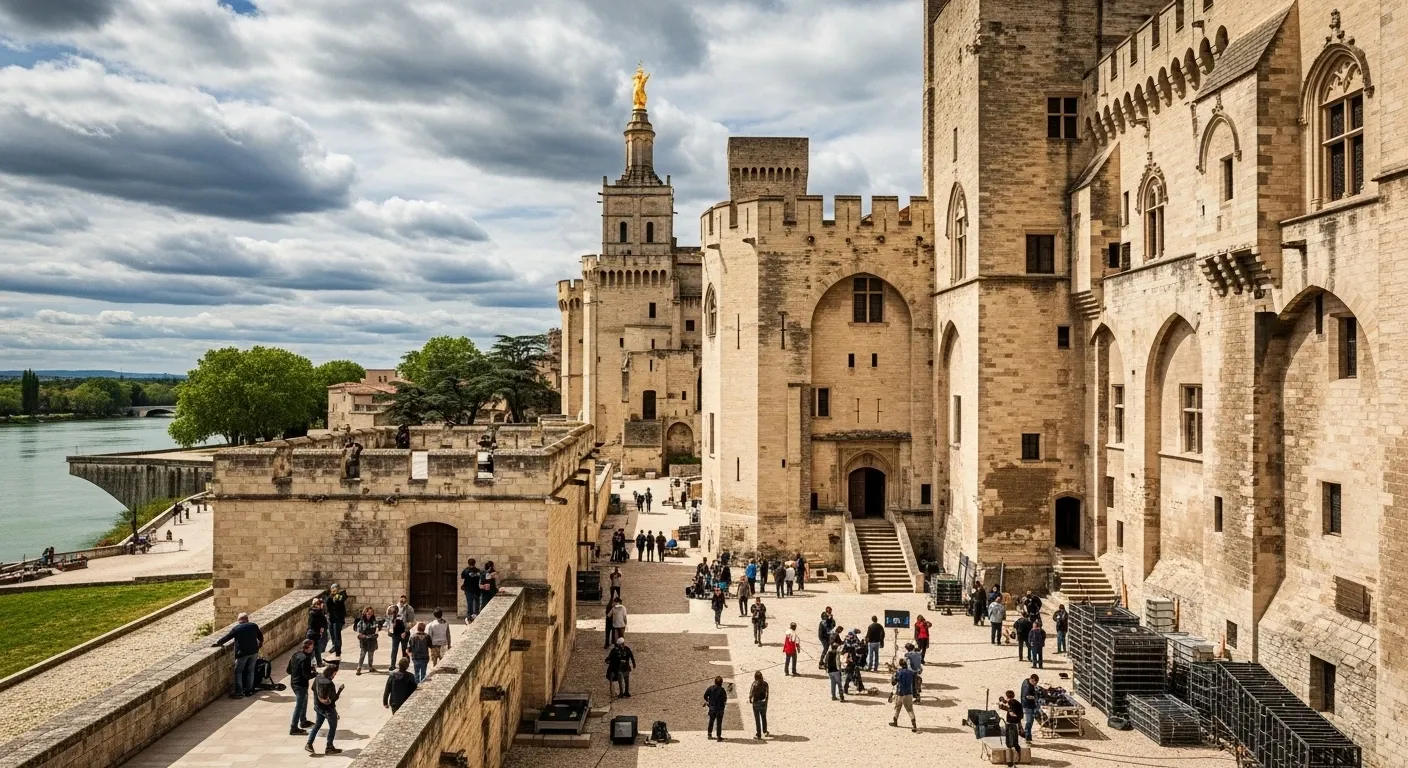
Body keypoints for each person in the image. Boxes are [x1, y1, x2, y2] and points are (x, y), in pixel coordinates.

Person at [211, 611, 264, 699]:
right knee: (250, 671)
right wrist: (261, 642)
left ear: (239, 620)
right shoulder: (253, 625)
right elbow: (260, 635)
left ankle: (239, 692)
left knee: (238, 672)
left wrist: (218, 642)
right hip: (254, 651)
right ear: (247, 619)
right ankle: (249, 689)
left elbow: (228, 637)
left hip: (242, 653)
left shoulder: (237, 629)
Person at [306, 663, 343, 756]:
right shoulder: (329, 684)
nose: (334, 676)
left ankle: (309, 743)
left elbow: (313, 688)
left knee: (317, 725)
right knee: (333, 727)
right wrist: (339, 691)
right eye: (334, 674)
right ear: (331, 672)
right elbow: (331, 700)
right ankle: (329, 747)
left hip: (318, 708)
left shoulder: (318, 678)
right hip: (328, 710)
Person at [287, 638, 316, 735]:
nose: (313, 648)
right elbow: (306, 675)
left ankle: (303, 721)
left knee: (305, 700)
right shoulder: (306, 659)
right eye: (312, 646)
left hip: (294, 683)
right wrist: (314, 673)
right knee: (299, 705)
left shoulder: (295, 655)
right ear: (307, 648)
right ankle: (293, 727)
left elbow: (288, 670)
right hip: (300, 685)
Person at [891, 661, 918, 732]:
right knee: (910, 710)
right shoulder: (911, 673)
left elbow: (893, 683)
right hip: (908, 693)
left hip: (899, 693)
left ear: (900, 665)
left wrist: (893, 676)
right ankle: (914, 725)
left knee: (897, 707)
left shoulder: (898, 672)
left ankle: (895, 721)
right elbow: (915, 683)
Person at [1000, 690, 1024, 767]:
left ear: (1007, 697)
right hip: (1014, 724)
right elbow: (1013, 711)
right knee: (1012, 743)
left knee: (1012, 743)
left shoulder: (1012, 703)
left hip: (1013, 725)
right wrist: (1004, 707)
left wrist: (1008, 709)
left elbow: (1013, 713)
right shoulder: (1015, 703)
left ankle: (1013, 761)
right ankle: (1013, 761)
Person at [354, 606, 379, 674]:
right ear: (365, 612)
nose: (370, 614)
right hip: (364, 640)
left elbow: (376, 629)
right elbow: (359, 631)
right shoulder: (361, 622)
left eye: (371, 612)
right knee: (362, 654)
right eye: (368, 612)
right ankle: (359, 667)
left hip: (372, 640)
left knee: (371, 655)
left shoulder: (374, 620)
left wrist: (375, 633)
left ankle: (370, 667)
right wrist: (363, 635)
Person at [326, 583, 348, 658]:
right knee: (332, 634)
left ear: (338, 589)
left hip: (338, 619)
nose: (334, 589)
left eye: (335, 588)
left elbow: (343, 598)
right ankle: (335, 647)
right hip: (331, 619)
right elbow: (328, 604)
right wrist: (332, 597)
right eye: (332, 588)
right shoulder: (329, 597)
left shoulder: (341, 595)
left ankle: (338, 651)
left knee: (337, 634)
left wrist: (337, 597)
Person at [704, 676, 727, 741]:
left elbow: (705, 695)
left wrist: (708, 701)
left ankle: (709, 734)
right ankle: (718, 736)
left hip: (712, 708)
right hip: (720, 709)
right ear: (721, 683)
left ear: (715, 682)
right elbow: (725, 699)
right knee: (719, 723)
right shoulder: (722, 690)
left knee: (711, 721)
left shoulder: (710, 688)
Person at [306, 598, 328, 666]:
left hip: (311, 632)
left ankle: (314, 663)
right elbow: (324, 622)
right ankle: (318, 663)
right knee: (315, 649)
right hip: (315, 633)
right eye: (320, 605)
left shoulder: (312, 612)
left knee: (312, 649)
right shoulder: (318, 614)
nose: (322, 606)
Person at [749, 670, 770, 739]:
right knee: (764, 717)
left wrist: (750, 699)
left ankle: (759, 734)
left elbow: (751, 693)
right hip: (763, 702)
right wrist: (765, 701)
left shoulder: (754, 684)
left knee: (757, 719)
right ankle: (765, 731)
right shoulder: (765, 684)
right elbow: (767, 694)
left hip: (756, 702)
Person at [1021, 674, 1041, 742]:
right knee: (1029, 721)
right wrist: (1036, 698)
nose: (1035, 684)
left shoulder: (1025, 681)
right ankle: (1027, 736)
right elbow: (1028, 696)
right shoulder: (1028, 687)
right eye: (1035, 682)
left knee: (1030, 720)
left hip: (1027, 704)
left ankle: (1027, 735)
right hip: (1028, 705)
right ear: (1032, 680)